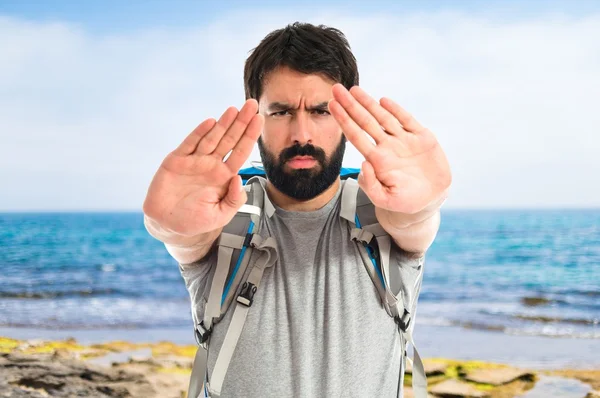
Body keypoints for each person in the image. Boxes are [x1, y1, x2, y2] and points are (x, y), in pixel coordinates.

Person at [143, 22, 451, 397]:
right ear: (255, 119)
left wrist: (424, 206)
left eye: (321, 111)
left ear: (346, 118)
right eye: (281, 112)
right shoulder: (225, 218)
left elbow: (414, 222)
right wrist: (167, 227)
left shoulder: (382, 215)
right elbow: (187, 238)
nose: (301, 134)